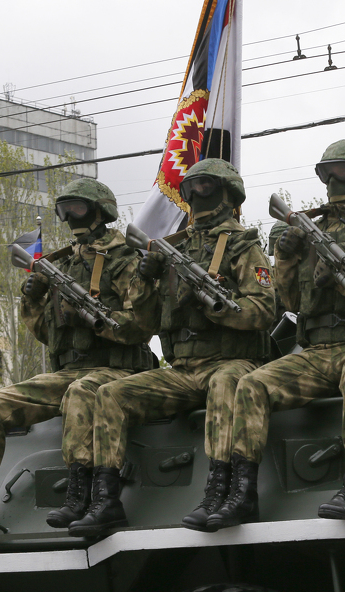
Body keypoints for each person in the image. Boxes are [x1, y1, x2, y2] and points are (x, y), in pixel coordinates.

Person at [203, 139, 345, 530]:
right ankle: (242, 494)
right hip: (317, 349)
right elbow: (292, 299)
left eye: (343, 170)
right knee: (252, 384)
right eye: (327, 171)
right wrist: (285, 256)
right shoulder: (315, 230)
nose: (333, 178)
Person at [0, 179, 157, 535]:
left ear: (100, 211)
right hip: (70, 371)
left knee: (83, 391)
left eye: (76, 209)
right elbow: (50, 334)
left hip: (118, 370)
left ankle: (79, 497)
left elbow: (143, 326)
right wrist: (33, 300)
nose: (69, 218)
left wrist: (96, 320)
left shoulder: (124, 259)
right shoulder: (64, 265)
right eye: (64, 211)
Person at [67, 159, 275, 536]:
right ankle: (105, 499)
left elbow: (263, 310)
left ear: (228, 195)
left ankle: (222, 492)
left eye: (205, 187)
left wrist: (218, 308)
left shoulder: (244, 246)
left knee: (226, 382)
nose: (196, 195)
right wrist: (146, 281)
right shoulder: (170, 251)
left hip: (232, 361)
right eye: (191, 188)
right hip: (182, 370)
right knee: (111, 394)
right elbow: (142, 324)